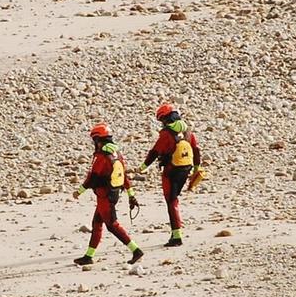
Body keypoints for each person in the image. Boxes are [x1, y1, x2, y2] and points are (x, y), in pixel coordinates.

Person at [73, 123, 143, 267]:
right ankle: (88, 256)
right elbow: (124, 177)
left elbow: (92, 177)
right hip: (114, 193)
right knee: (97, 223)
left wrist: (79, 191)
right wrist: (131, 195)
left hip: (105, 196)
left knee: (112, 225)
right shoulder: (117, 154)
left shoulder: (101, 156)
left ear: (98, 140)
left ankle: (136, 250)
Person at [143, 102, 203, 247]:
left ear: (165, 119)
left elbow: (155, 152)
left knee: (171, 201)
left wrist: (143, 167)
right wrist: (196, 169)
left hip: (171, 171)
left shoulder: (166, 134)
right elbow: (196, 150)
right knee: (174, 199)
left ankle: (176, 236)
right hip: (186, 169)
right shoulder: (188, 132)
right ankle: (176, 233)